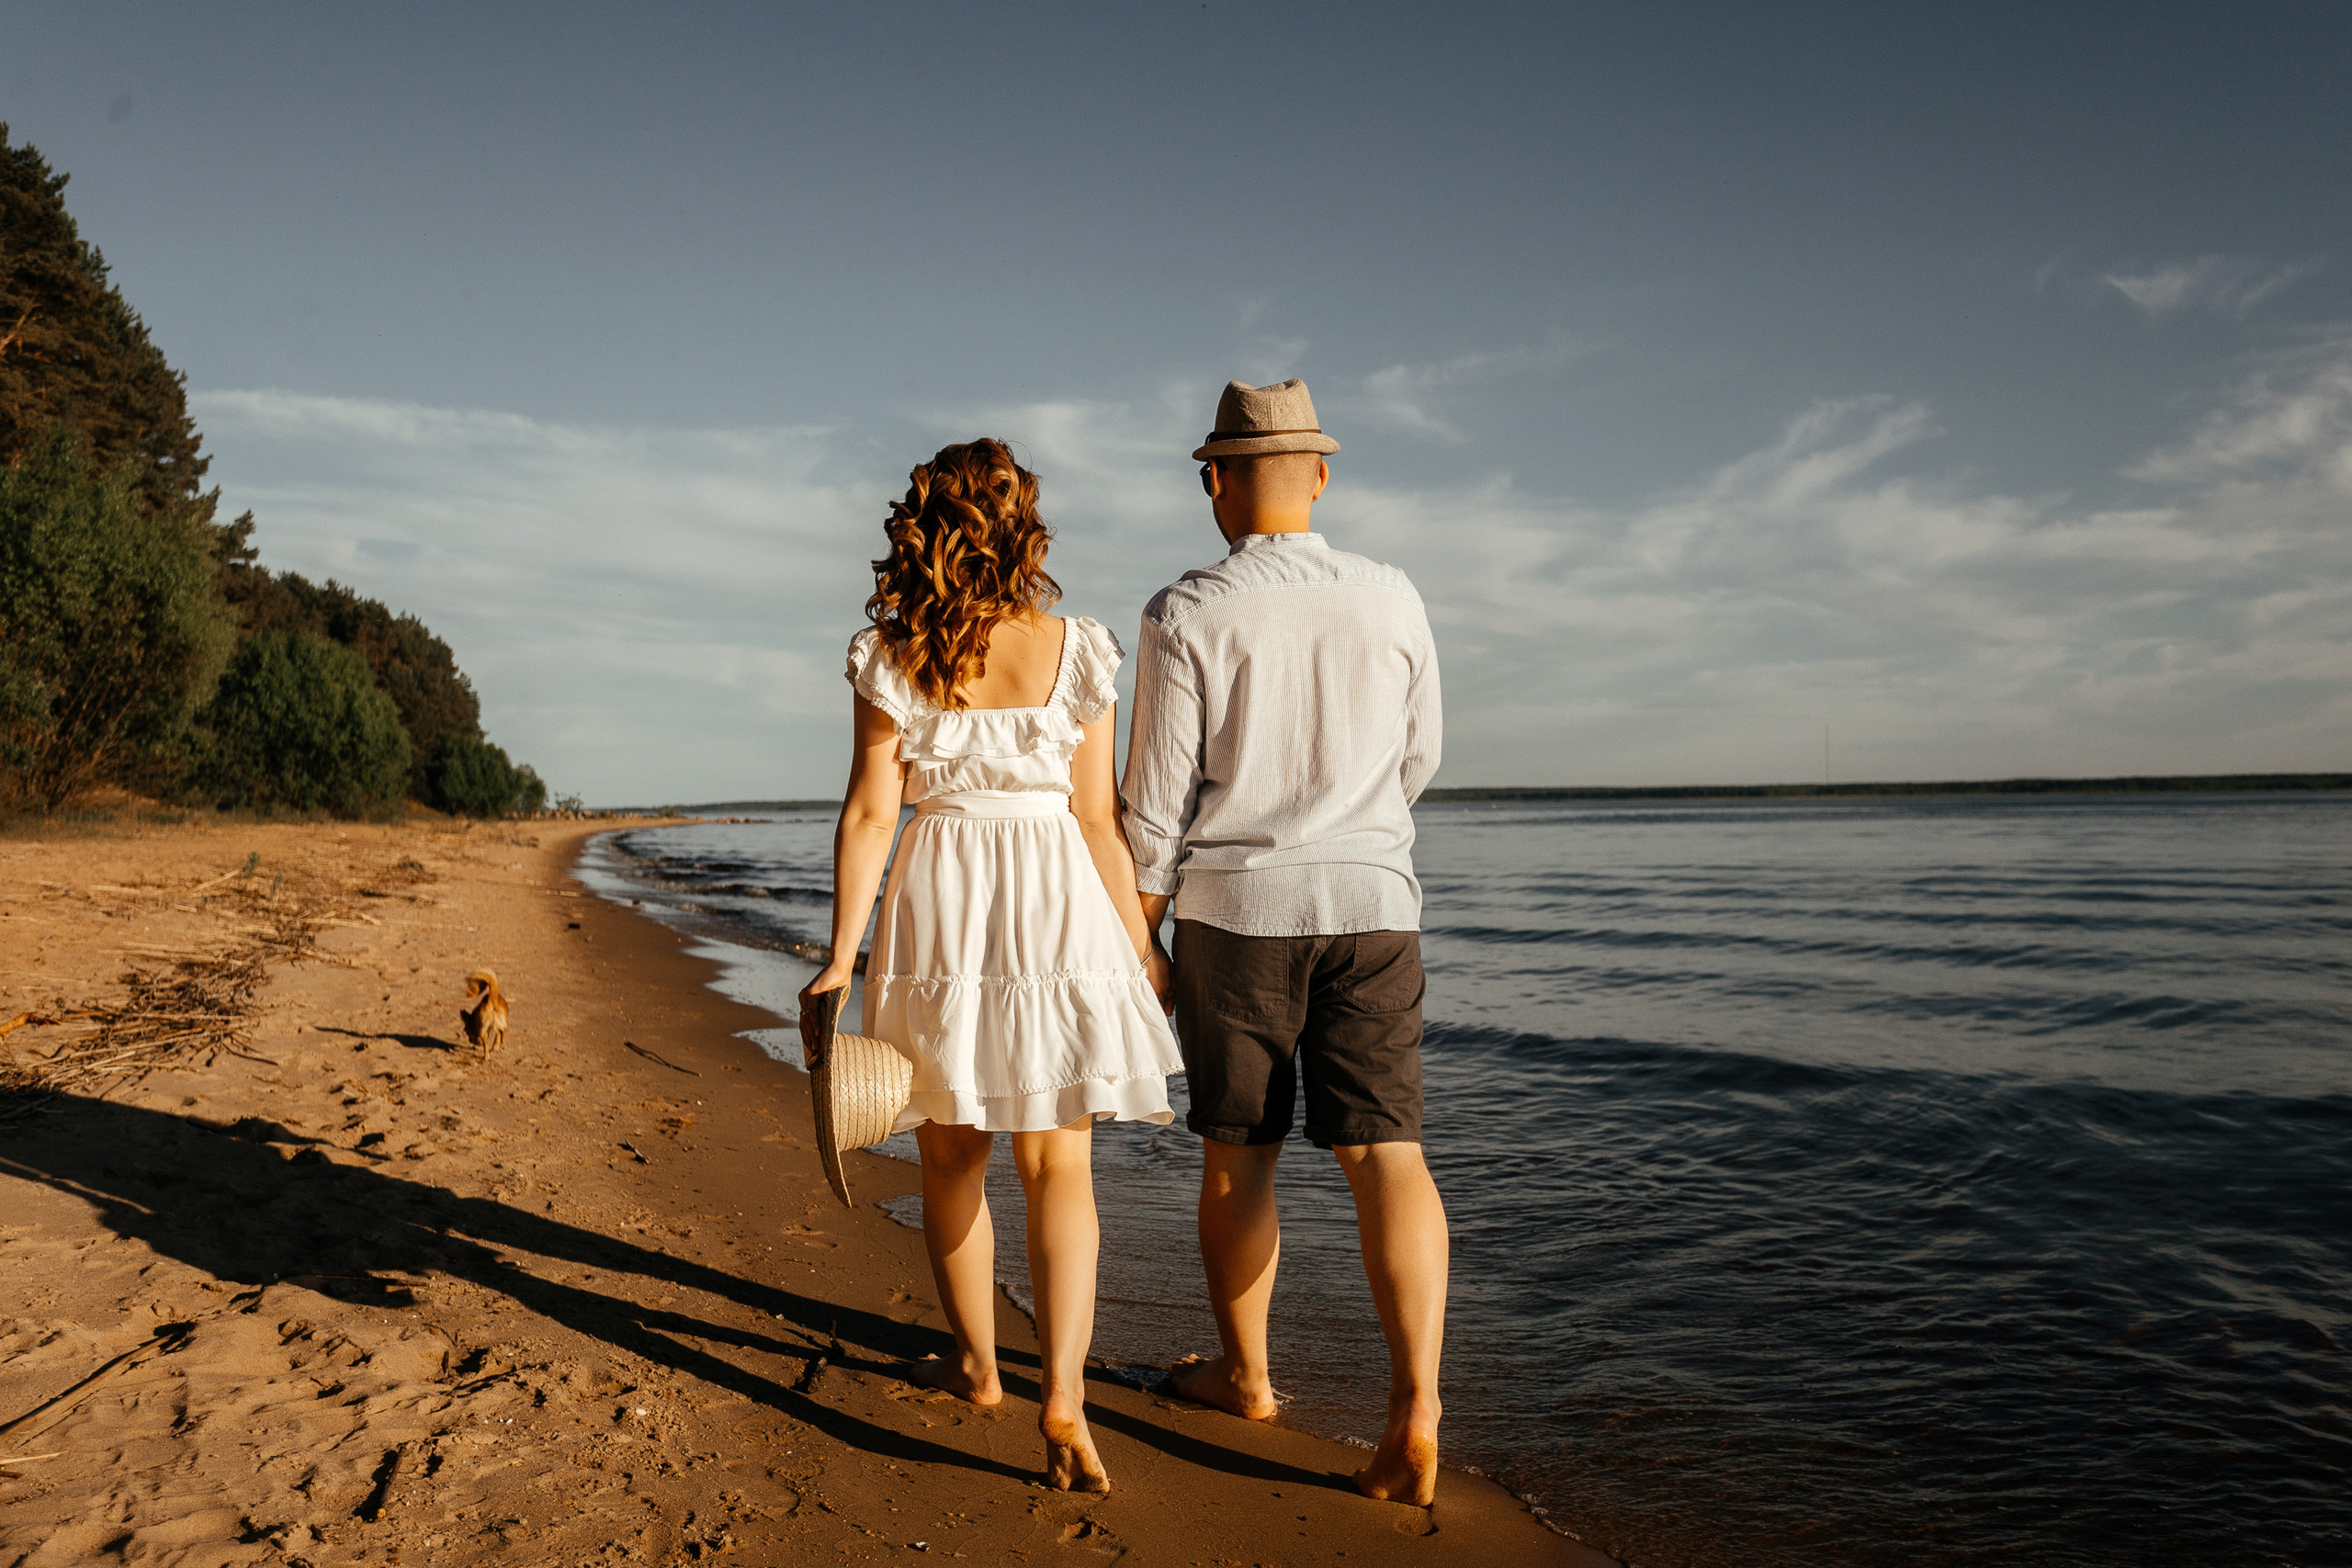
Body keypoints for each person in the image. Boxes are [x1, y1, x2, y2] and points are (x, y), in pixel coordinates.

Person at [797, 437, 1182, 1494]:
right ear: (1022, 527)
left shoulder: (893, 652)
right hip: (1054, 886)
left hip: (944, 888)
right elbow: (1100, 822)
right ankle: (1062, 1390)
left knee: (950, 1152)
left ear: (919, 530)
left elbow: (873, 811)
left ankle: (977, 1366)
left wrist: (840, 956)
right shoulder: (1084, 648)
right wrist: (1139, 947)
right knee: (1059, 1164)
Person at [1120, 379, 1449, 1506]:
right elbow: (1420, 758)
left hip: (1238, 910)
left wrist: (1141, 939)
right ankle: (1415, 1405)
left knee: (1238, 1158)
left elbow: (1153, 812)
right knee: (1386, 1155)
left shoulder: (1185, 610)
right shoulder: (1393, 595)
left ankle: (1248, 1378)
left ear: (1214, 479)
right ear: (1319, 473)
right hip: (1373, 902)